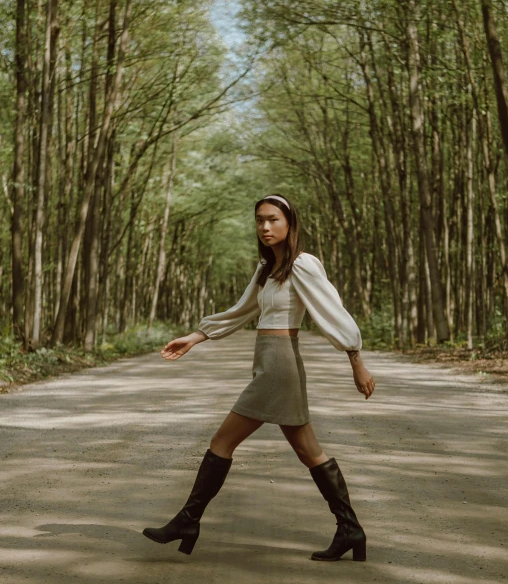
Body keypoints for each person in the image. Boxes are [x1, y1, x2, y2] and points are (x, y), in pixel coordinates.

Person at [142, 194, 375, 561]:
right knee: (309, 451)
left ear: (289, 223)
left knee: (222, 441)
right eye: (260, 221)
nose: (265, 227)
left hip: (279, 366)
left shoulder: (303, 264)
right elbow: (241, 311)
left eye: (273, 220)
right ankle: (350, 529)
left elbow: (334, 310)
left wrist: (355, 357)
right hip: (268, 361)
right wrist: (196, 336)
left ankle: (187, 521)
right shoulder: (267, 269)